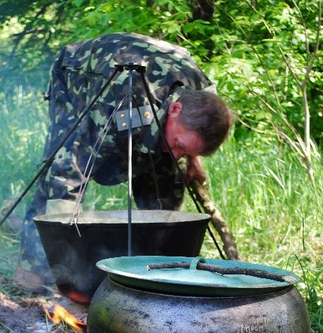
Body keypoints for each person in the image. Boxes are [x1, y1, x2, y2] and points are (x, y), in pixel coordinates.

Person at [15, 32, 233, 292]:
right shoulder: (125, 103)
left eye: (184, 150)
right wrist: (58, 230)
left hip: (150, 106)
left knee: (168, 186)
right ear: (175, 110)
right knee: (59, 182)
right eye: (180, 146)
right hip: (79, 77)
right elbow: (72, 159)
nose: (177, 155)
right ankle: (38, 269)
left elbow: (190, 136)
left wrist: (193, 158)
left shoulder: (204, 95)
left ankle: (156, 272)